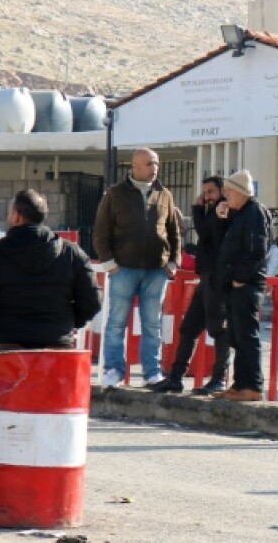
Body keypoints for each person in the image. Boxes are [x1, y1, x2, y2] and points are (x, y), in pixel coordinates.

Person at [93, 147, 182, 389]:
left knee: (153, 324)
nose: (155, 168)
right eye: (149, 163)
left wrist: (173, 262)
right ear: (135, 166)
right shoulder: (115, 194)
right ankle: (114, 370)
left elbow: (174, 231)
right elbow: (101, 231)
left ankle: (152, 372)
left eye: (156, 163)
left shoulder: (164, 194)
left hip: (156, 270)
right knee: (117, 322)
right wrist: (109, 263)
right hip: (124, 268)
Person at [0, 190, 101, 349]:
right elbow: (92, 301)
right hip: (57, 348)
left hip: (6, 349)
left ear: (17, 217)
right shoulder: (71, 254)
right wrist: (67, 323)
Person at [151, 176, 231, 395]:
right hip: (205, 277)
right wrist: (200, 209)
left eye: (211, 192)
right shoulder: (212, 210)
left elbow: (207, 233)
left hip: (217, 278)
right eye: (205, 192)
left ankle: (219, 379)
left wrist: (198, 209)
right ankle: (176, 377)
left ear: (222, 191)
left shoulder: (224, 211)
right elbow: (204, 233)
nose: (207, 196)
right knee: (188, 328)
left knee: (218, 330)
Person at [211, 170, 272, 403]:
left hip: (246, 285)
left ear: (240, 192)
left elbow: (257, 249)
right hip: (234, 284)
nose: (225, 196)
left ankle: (253, 385)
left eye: (229, 192)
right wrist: (221, 218)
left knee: (247, 335)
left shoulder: (254, 211)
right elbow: (222, 243)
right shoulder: (240, 213)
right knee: (236, 336)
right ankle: (240, 384)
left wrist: (240, 278)